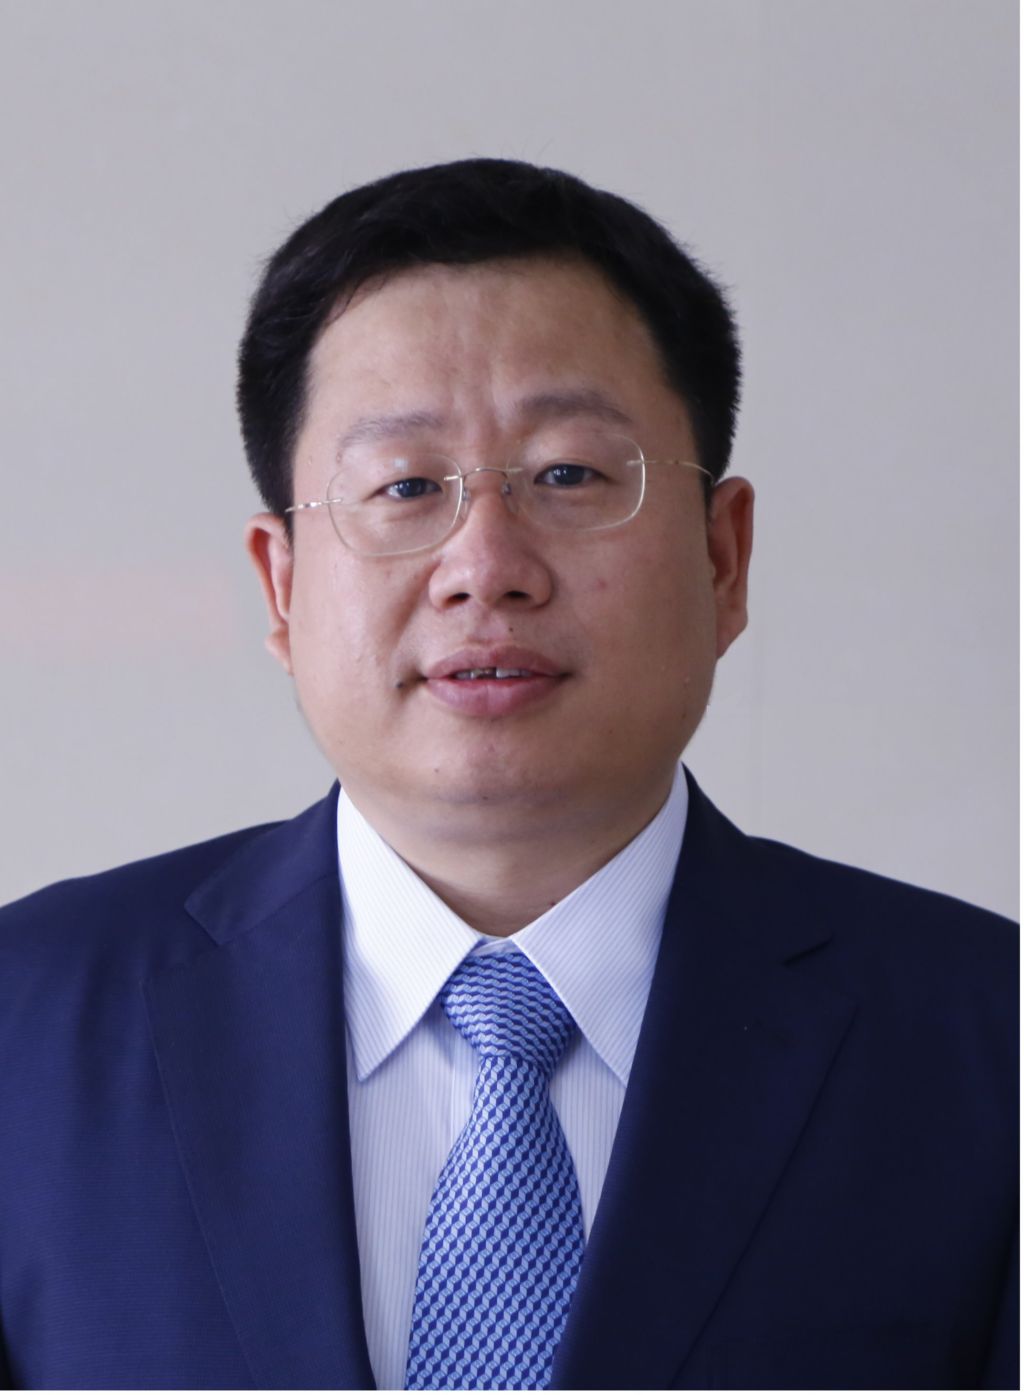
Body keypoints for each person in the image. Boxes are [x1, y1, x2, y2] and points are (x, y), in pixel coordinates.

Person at [0, 158, 1015, 1392]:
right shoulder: (26, 1027)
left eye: (569, 475)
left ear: (722, 557)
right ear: (281, 582)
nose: (486, 566)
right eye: (405, 486)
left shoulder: (986, 1042)